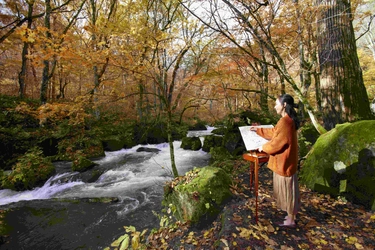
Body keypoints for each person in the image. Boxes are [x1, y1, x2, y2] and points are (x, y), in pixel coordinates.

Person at [250, 94, 300, 227]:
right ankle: (290, 217)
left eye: (276, 103)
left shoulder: (285, 121)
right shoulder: (287, 120)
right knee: (289, 189)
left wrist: (262, 147)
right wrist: (258, 130)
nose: (274, 106)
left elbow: (278, 142)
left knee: (288, 190)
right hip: (287, 161)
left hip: (284, 162)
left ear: (284, 105)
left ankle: (291, 220)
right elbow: (274, 132)